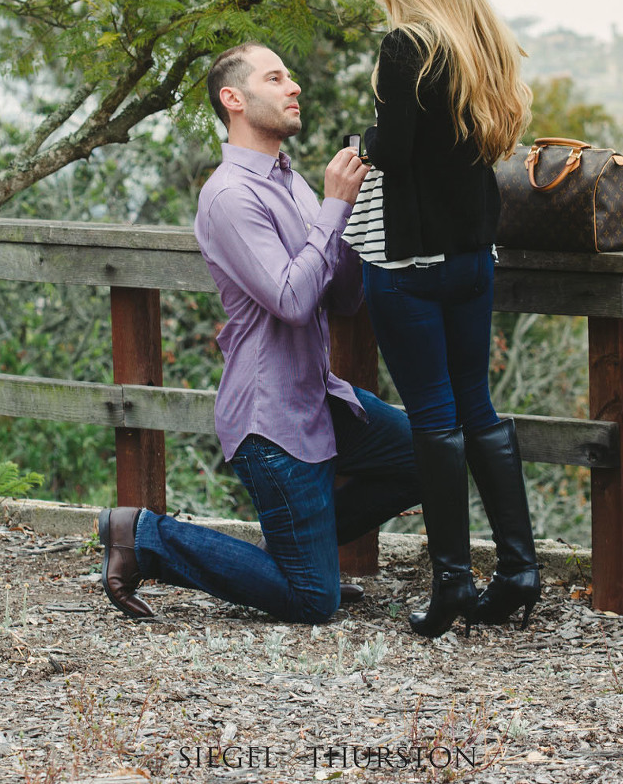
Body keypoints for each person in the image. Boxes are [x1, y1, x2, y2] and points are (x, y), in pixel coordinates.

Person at [99, 42, 420, 625]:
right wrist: (333, 207)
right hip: (271, 419)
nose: (294, 86)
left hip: (318, 399)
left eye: (290, 74)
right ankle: (143, 536)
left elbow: (343, 298)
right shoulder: (229, 195)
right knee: (312, 601)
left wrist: (351, 210)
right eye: (276, 78)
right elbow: (294, 302)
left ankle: (304, 549)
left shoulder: (293, 184)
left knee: (427, 456)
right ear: (235, 99)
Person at [350, 0, 540, 637]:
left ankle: (454, 582)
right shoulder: (483, 43)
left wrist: (364, 140)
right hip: (471, 257)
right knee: (478, 408)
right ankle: (519, 570)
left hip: (409, 261)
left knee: (433, 419)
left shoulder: (407, 46)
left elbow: (394, 151)